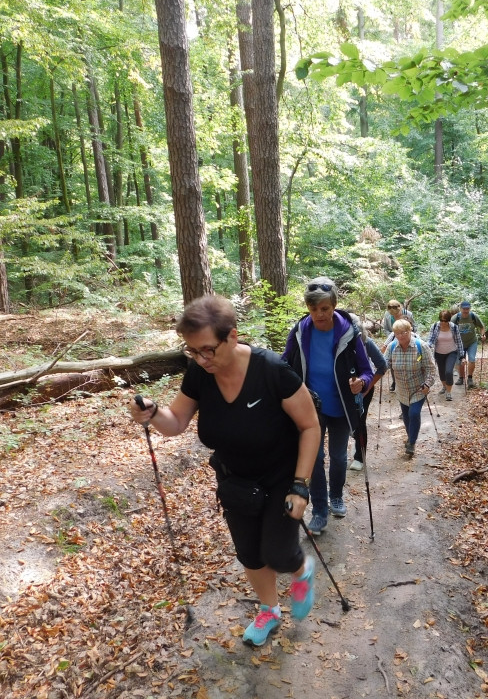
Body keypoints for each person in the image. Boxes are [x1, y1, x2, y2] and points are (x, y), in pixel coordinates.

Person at [128, 295, 321, 648]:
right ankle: (269, 610)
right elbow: (176, 423)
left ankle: (301, 570)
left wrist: (301, 485)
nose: (201, 359)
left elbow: (310, 426)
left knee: (278, 553)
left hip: (282, 476)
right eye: (192, 352)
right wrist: (153, 412)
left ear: (232, 336)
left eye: (207, 350)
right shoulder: (200, 373)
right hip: (235, 479)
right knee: (249, 552)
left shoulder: (272, 370)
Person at [282, 278, 373, 535]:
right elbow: (284, 363)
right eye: (314, 309)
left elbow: (367, 371)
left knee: (337, 456)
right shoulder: (301, 331)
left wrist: (361, 383)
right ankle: (320, 510)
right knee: (314, 458)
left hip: (341, 406)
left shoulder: (349, 332)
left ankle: (336, 496)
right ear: (308, 309)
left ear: (334, 306)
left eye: (325, 309)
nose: (319, 314)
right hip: (311, 407)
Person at [385, 319, 437, 457]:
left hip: (418, 388)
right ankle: (410, 438)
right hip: (401, 389)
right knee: (407, 417)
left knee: (414, 414)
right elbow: (384, 364)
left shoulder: (421, 346)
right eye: (397, 333)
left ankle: (412, 443)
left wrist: (427, 384)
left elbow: (431, 369)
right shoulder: (391, 347)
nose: (401, 336)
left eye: (404, 332)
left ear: (410, 331)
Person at [348, 315, 387, 471]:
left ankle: (359, 457)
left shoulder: (366, 342)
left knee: (359, 421)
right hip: (343, 389)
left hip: (363, 388)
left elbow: (382, 365)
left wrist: (368, 387)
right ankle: (354, 437)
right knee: (344, 421)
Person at [426, 310, 465, 401]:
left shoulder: (454, 328)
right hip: (438, 353)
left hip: (451, 352)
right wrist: (426, 347)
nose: (443, 322)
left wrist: (462, 356)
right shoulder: (435, 326)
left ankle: (449, 392)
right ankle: (444, 386)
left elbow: (459, 342)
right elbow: (430, 340)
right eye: (441, 320)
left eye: (445, 320)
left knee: (448, 372)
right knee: (442, 373)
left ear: (449, 320)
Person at [382, 300, 414, 392]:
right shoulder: (387, 315)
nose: (393, 314)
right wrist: (394, 335)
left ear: (399, 308)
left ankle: (409, 380)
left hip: (407, 338)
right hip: (393, 338)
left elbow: (414, 326)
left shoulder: (408, 314)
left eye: (395, 312)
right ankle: (395, 381)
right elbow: (386, 328)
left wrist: (409, 335)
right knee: (393, 362)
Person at [453, 301, 485, 388]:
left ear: (469, 308)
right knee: (460, 361)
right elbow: (450, 329)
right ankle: (461, 378)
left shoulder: (473, 316)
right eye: (464, 309)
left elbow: (481, 326)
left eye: (467, 309)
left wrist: (482, 335)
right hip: (460, 343)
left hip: (472, 342)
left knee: (471, 359)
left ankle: (470, 378)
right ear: (460, 309)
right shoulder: (455, 318)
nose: (466, 311)